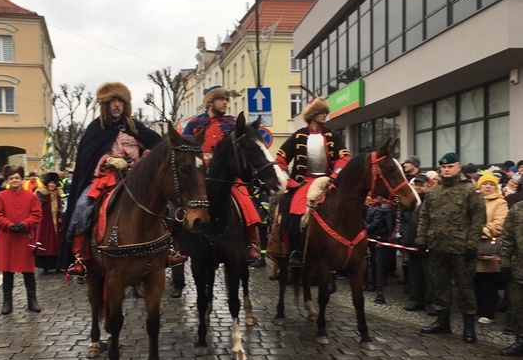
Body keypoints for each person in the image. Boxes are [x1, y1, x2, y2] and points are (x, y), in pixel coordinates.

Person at [60, 81, 162, 276]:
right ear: (105, 105)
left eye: (120, 101)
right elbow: (87, 157)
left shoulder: (135, 126)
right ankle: (80, 257)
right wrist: (109, 159)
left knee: (166, 205)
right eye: (113, 101)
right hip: (105, 177)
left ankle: (171, 249)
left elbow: (157, 145)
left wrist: (146, 158)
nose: (117, 105)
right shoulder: (95, 129)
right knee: (82, 208)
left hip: (136, 176)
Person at [182, 85, 263, 262]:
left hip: (226, 176)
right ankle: (179, 243)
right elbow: (184, 146)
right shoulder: (194, 124)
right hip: (199, 176)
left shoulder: (232, 123)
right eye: (222, 99)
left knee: (244, 199)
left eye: (227, 99)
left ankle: (251, 242)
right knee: (182, 202)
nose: (226, 102)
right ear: (211, 102)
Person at [417, 152, 486, 343]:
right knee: (440, 286)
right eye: (443, 167)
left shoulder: (469, 190)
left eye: (450, 167)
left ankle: (469, 328)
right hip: (437, 247)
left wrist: (472, 245)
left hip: (461, 249)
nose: (446, 170)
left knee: (465, 289)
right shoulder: (433, 191)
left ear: (458, 167)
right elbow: (425, 217)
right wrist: (421, 240)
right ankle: (442, 322)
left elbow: (478, 219)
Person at [274, 96, 350, 267]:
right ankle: (296, 251)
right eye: (322, 112)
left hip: (328, 180)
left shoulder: (332, 135)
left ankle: (355, 244)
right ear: (313, 114)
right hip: (304, 183)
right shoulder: (298, 135)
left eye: (326, 112)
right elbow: (280, 159)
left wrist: (334, 176)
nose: (325, 115)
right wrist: (290, 182)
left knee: (348, 208)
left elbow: (343, 158)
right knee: (295, 215)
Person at [0, 164, 43, 314]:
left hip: (25, 238)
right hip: (7, 237)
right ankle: (7, 302)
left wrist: (25, 224)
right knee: (7, 272)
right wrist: (8, 225)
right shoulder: (0, 197)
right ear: (7, 180)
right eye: (11, 178)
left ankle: (32, 301)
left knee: (28, 271)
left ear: (22, 179)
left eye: (17, 178)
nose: (14, 180)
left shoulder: (31, 196)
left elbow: (37, 214)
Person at [473, 172, 508, 324]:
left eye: (491, 184)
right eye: (485, 183)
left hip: (488, 247)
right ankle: (478, 309)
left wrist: (481, 230)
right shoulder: (474, 201)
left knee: (489, 283)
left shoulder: (500, 202)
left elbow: (500, 224)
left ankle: (488, 312)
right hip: (473, 246)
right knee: (476, 282)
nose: (488, 186)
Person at [401, 174, 433, 312]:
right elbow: (404, 220)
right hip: (411, 242)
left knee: (429, 276)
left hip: (427, 245)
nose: (418, 187)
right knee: (415, 275)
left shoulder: (431, 201)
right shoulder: (410, 200)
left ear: (427, 186)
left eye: (421, 185)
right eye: (416, 184)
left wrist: (425, 241)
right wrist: (404, 235)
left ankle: (431, 303)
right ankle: (417, 300)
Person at [499, 201, 523, 356]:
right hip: (519, 268)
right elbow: (507, 238)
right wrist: (505, 263)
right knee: (519, 307)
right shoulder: (518, 208)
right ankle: (520, 340)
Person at [35, 172, 65, 274]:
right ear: (47, 183)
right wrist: (40, 204)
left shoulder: (59, 192)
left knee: (57, 243)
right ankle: (45, 266)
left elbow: (62, 205)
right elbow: (36, 204)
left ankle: (58, 265)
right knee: (46, 242)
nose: (52, 185)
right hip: (45, 221)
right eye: (50, 182)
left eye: (54, 183)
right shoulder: (41, 192)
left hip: (57, 221)